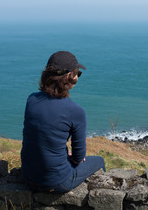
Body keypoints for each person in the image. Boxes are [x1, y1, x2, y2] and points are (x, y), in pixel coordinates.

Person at [21, 51, 105, 193]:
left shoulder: (32, 100)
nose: (78, 77)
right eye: (77, 73)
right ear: (68, 77)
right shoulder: (75, 111)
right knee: (99, 161)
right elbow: (79, 158)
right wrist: (72, 158)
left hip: (28, 176)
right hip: (55, 182)